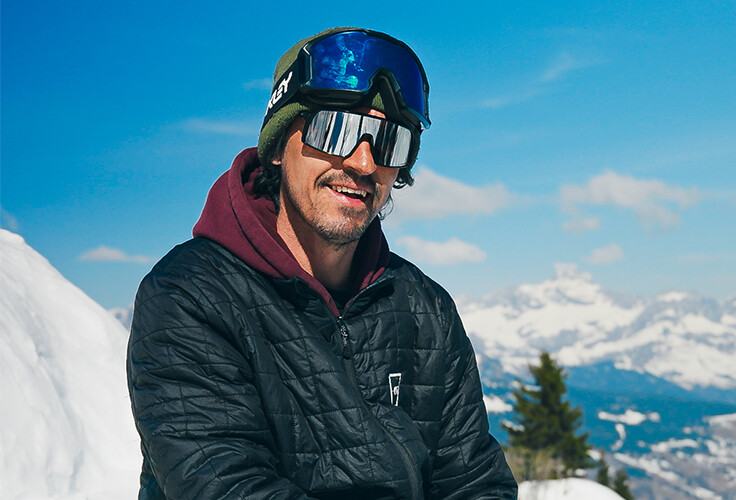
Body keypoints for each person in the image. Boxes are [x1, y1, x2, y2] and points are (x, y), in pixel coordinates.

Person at [126, 27, 517, 499]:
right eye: (336, 130)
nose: (364, 163)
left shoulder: (424, 309)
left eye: (390, 142)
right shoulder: (189, 296)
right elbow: (228, 487)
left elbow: (475, 482)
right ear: (277, 145)